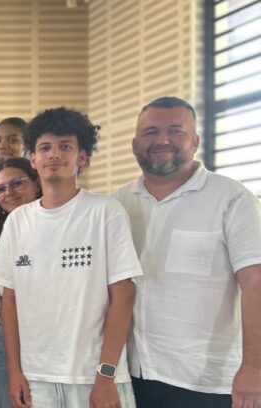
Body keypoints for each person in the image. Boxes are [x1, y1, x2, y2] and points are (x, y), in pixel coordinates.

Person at [112, 96, 261, 408]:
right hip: (130, 374)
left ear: (195, 140)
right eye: (151, 132)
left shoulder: (232, 199)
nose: (163, 140)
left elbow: (255, 283)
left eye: (176, 131)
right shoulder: (116, 204)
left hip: (205, 382)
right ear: (135, 144)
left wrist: (254, 366)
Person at [0, 108, 140, 408]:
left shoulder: (105, 212)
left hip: (94, 377)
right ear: (33, 159)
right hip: (36, 378)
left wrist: (106, 375)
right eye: (45, 147)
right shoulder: (17, 221)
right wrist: (14, 372)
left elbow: (123, 296)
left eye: (65, 146)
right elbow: (10, 301)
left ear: (82, 157)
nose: (54, 154)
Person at [0, 157, 40, 408]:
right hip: (7, 332)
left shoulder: (59, 221)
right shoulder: (1, 230)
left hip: (48, 331)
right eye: (1, 189)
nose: (9, 192)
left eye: (17, 183)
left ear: (36, 184)